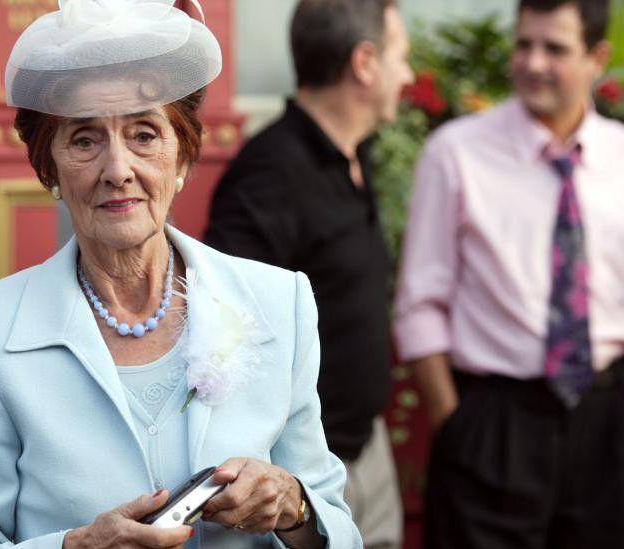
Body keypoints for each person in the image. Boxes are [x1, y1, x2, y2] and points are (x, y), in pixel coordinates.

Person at [0, 1, 361, 548]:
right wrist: (75, 546)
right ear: (49, 167)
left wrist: (293, 505)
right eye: (84, 139)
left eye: (145, 134)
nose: (117, 169)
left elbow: (339, 531)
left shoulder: (278, 300)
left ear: (181, 159)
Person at [393, 0, 624, 547]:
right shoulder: (455, 154)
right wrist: (454, 423)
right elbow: (420, 303)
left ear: (597, 58)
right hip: (492, 422)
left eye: (555, 48)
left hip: (608, 424)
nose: (533, 63)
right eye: (524, 44)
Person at [204, 1, 413, 547]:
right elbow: (228, 332)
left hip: (366, 449)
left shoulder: (354, 153)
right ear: (365, 63)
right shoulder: (270, 174)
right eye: (401, 58)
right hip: (303, 476)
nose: (408, 76)